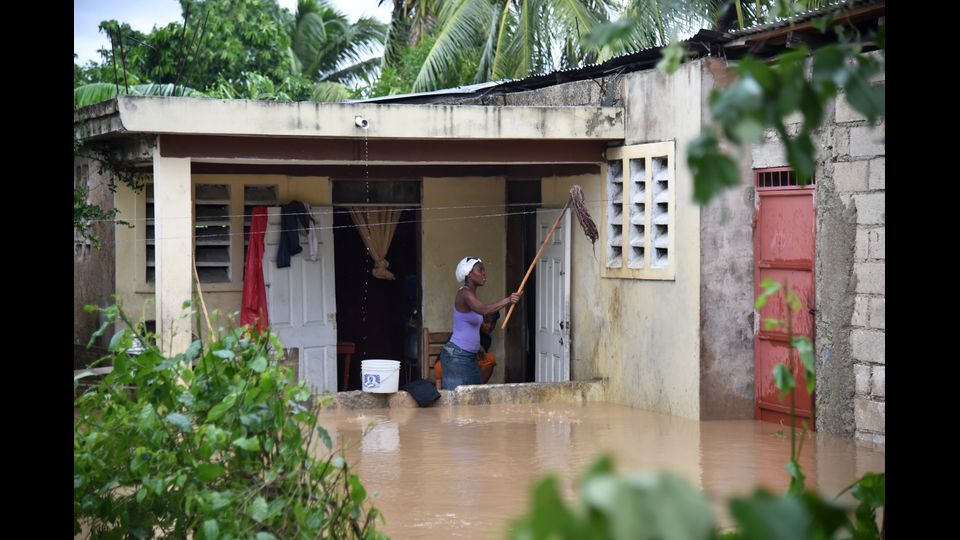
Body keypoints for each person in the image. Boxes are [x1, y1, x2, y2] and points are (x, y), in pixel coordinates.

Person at [438, 256, 521, 390]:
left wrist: (478, 347)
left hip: (469, 357)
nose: (484, 273)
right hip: (457, 357)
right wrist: (508, 300)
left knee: (472, 401)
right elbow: (484, 310)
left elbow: (470, 327)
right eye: (480, 270)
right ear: (469, 274)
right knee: (456, 403)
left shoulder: (472, 295)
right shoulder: (464, 293)